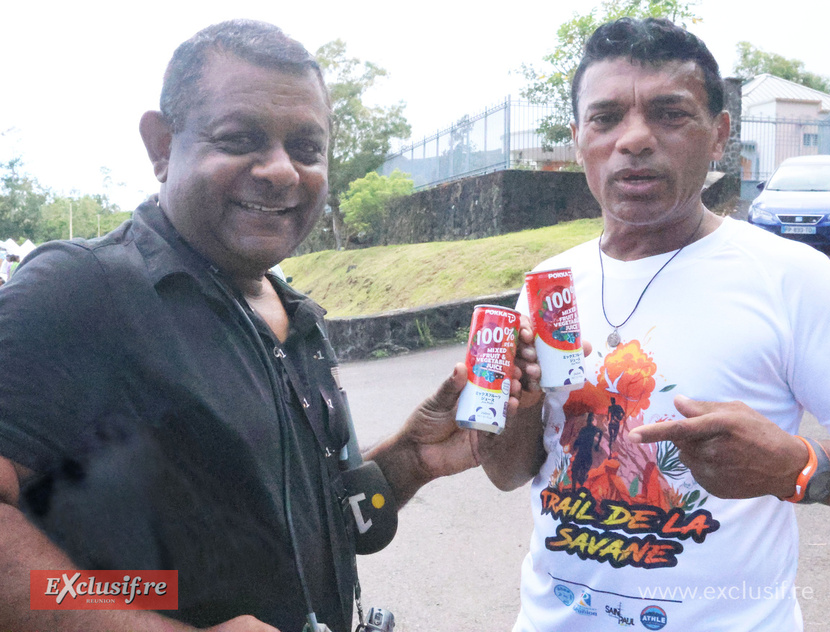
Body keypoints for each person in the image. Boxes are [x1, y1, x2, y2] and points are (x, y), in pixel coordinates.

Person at [0, 20, 534, 632]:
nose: (282, 171)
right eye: (239, 138)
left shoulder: (296, 318)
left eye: (307, 149)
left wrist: (413, 458)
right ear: (162, 145)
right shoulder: (82, 291)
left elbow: (305, 524)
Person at [480, 17, 830, 631]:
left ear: (719, 136)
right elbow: (508, 473)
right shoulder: (548, 285)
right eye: (605, 118)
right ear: (578, 138)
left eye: (669, 113)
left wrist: (798, 465)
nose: (634, 139)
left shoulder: (792, 279)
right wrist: (513, 411)